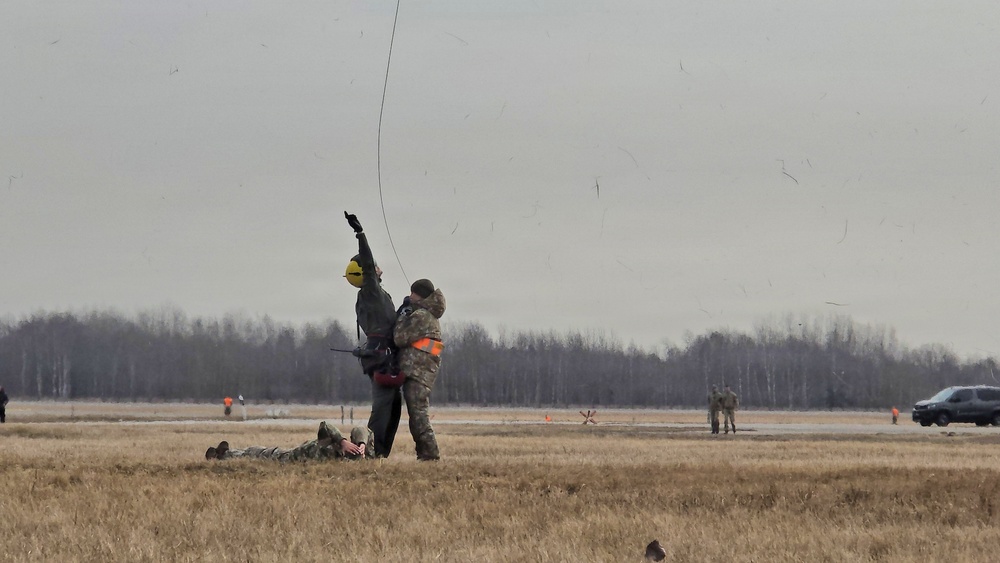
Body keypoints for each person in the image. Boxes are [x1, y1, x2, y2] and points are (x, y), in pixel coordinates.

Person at [344, 211, 403, 458]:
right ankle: (369, 452)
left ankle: (380, 453)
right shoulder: (369, 292)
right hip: (381, 358)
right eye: (374, 265)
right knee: (382, 408)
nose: (379, 267)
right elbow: (368, 263)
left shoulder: (374, 294)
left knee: (394, 408)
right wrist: (360, 234)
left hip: (383, 356)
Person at [394, 278, 446, 461]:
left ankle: (430, 455)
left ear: (420, 295)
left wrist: (402, 314)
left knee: (418, 415)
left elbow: (399, 337)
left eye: (413, 293)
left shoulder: (421, 316)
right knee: (417, 413)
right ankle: (425, 454)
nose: (410, 296)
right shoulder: (428, 315)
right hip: (422, 370)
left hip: (418, 371)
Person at [205, 421, 373, 462]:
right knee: (258, 452)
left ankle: (223, 455)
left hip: (292, 458)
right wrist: (348, 442)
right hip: (298, 452)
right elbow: (325, 425)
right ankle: (225, 454)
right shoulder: (334, 442)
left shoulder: (340, 460)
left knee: (258, 454)